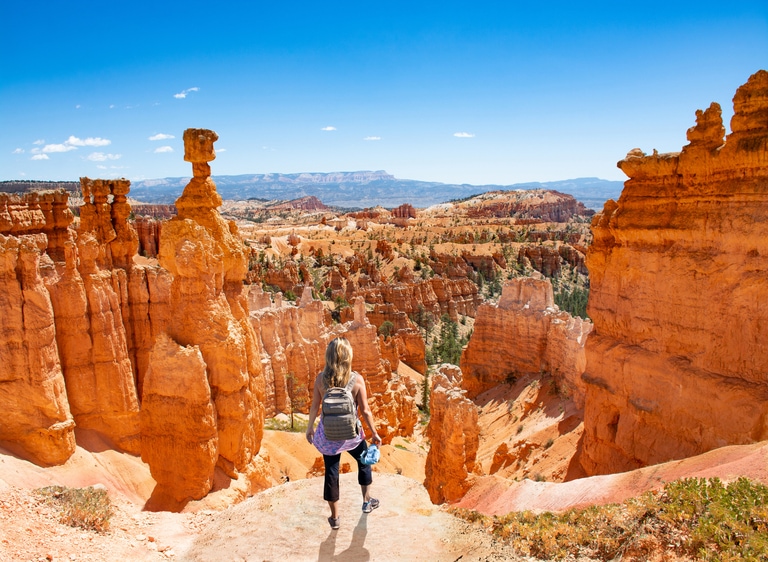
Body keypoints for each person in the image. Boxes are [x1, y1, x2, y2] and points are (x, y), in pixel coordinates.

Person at [306, 337, 382, 530]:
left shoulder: (320, 379)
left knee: (332, 473)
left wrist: (309, 428)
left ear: (329, 356)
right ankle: (366, 502)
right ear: (348, 356)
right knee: (364, 462)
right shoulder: (357, 380)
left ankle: (335, 518)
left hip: (328, 436)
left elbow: (315, 406)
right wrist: (374, 432)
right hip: (352, 435)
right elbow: (365, 410)